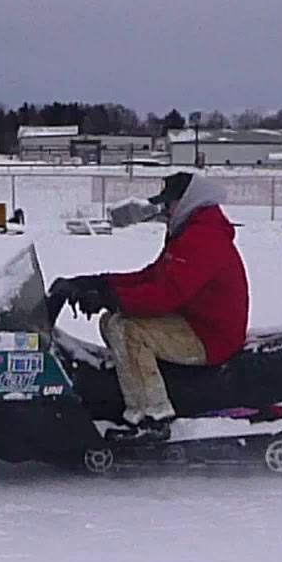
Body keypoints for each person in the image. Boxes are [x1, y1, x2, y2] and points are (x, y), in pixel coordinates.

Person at [49, 172, 249, 444]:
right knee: (111, 320)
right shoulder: (191, 230)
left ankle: (153, 417)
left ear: (189, 201)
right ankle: (139, 391)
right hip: (194, 321)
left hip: (209, 336)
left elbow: (166, 295)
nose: (166, 210)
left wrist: (110, 297)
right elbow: (153, 276)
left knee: (127, 329)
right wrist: (97, 283)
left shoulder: (203, 237)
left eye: (170, 203)